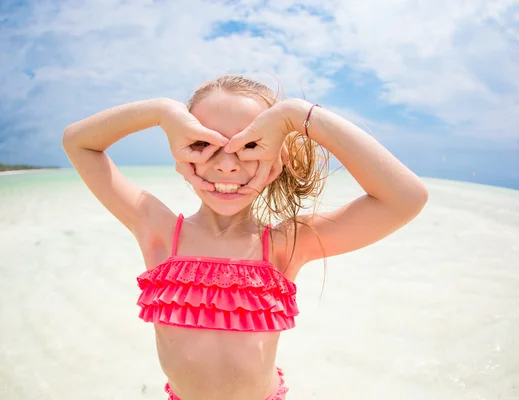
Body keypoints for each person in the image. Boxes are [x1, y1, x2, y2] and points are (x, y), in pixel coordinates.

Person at [62, 75, 429, 400]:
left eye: (250, 145)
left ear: (277, 160)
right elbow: (79, 143)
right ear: (179, 152)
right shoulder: (159, 232)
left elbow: (405, 198)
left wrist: (297, 115)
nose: (227, 164)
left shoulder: (285, 245)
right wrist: (162, 112)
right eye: (205, 144)